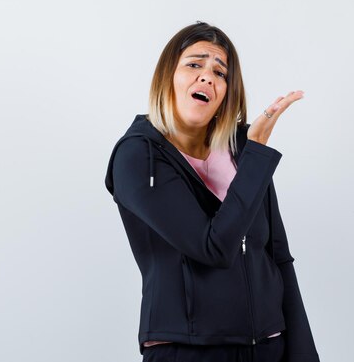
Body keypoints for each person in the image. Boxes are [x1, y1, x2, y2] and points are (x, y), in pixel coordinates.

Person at [105, 22, 319, 362]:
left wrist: (303, 354)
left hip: (269, 347)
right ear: (166, 77)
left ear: (226, 92)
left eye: (220, 72)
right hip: (188, 351)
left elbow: (277, 256)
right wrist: (258, 153)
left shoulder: (242, 151)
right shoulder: (138, 156)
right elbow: (213, 248)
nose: (207, 77)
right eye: (194, 64)